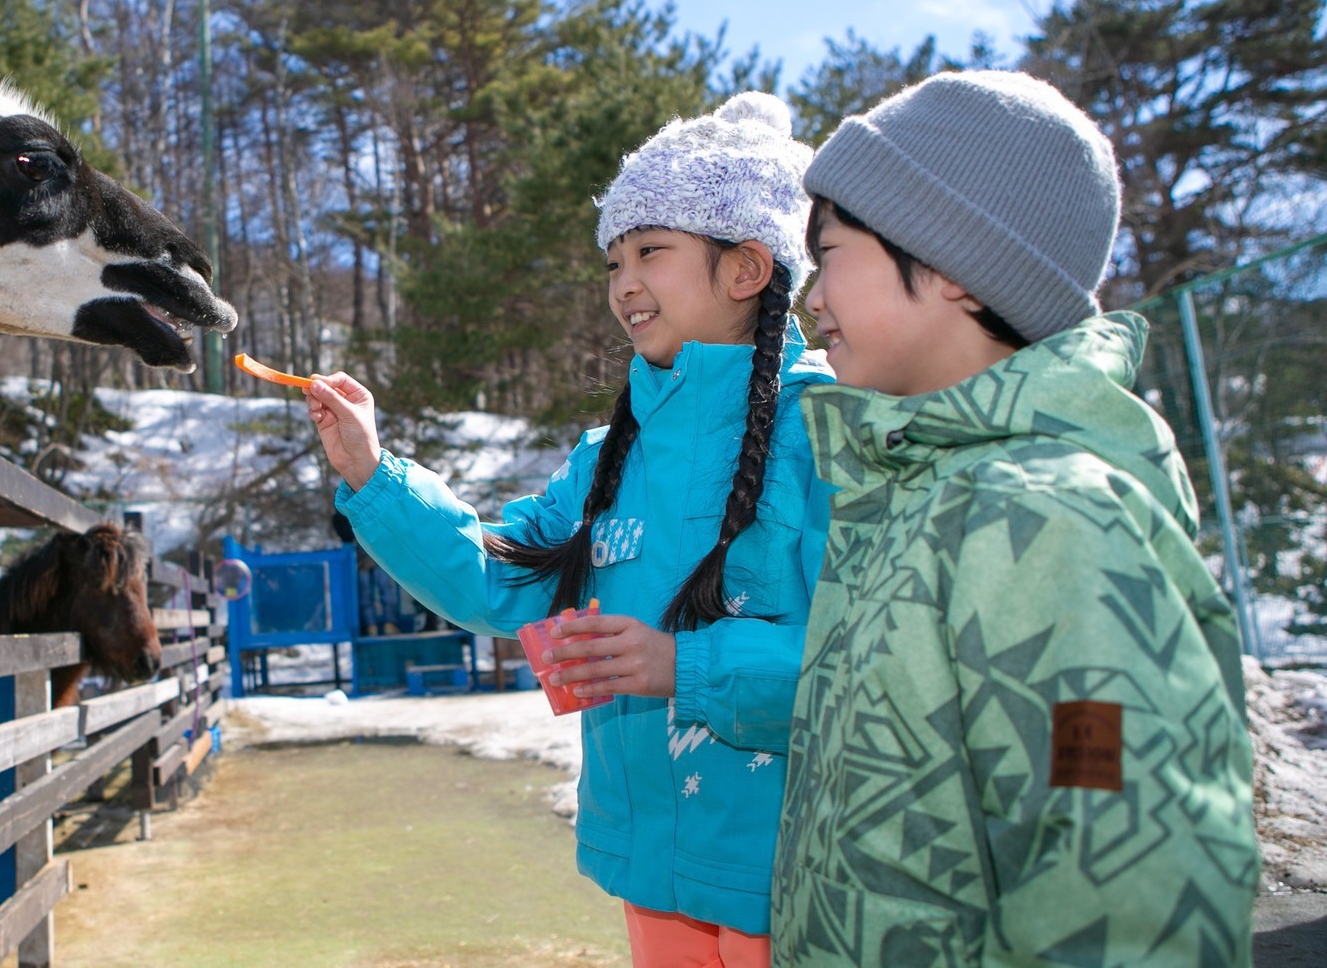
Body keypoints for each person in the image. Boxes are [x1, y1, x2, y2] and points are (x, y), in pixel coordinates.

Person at [307, 93, 833, 967]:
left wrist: (685, 666)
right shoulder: (604, 459)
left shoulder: (827, 433)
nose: (625, 282)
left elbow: (866, 667)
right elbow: (498, 577)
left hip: (787, 874)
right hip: (649, 873)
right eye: (614, 259)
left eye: (652, 251)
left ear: (747, 268)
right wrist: (373, 471)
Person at [771, 70, 1259, 965]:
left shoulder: (1046, 521)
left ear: (951, 262)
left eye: (832, 251)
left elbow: (1121, 890)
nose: (812, 295)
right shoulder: (917, 497)